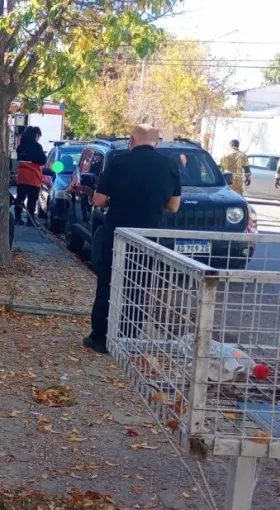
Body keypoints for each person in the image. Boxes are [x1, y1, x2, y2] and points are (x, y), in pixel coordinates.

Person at [83, 124, 181, 354]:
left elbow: (98, 200)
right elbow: (174, 206)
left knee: (107, 285)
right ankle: (127, 339)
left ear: (132, 140)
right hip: (147, 239)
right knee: (138, 288)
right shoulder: (170, 165)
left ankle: (100, 338)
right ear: (156, 142)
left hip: (116, 235)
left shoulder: (118, 162)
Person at [14, 126, 47, 226]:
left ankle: (17, 218)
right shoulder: (37, 146)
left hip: (22, 176)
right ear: (36, 135)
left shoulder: (21, 146)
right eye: (39, 137)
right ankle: (30, 220)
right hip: (33, 176)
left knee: (20, 198)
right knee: (32, 199)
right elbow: (42, 160)